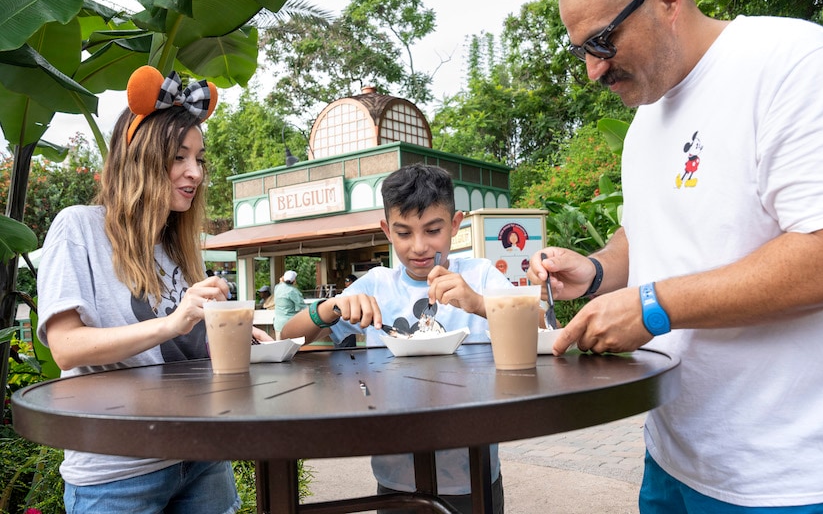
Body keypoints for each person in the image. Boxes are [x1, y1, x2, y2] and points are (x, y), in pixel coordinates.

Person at [527, 0, 823, 513]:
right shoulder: (646, 123)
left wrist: (655, 305)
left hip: (788, 477)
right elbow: (655, 230)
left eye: (602, 41)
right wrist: (597, 272)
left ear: (668, 0)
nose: (594, 71)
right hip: (673, 459)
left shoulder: (795, 63)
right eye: (582, 51)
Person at [36, 65, 271, 514]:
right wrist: (173, 321)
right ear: (140, 158)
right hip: (117, 470)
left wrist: (238, 337)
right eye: (179, 157)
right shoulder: (79, 228)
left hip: (201, 457)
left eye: (199, 159)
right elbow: (66, 347)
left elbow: (184, 349)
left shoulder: (179, 245)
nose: (194, 173)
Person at [282, 163, 513, 513]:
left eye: (433, 230)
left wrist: (480, 304)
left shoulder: (478, 276)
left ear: (455, 224)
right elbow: (289, 336)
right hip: (396, 480)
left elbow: (538, 323)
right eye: (404, 233)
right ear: (387, 230)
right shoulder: (376, 284)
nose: (419, 247)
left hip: (472, 470)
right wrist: (329, 308)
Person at [273, 270, 304, 340]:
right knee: (292, 345)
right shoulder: (293, 291)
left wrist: (282, 280)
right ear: (294, 280)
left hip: (278, 323)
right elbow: (302, 306)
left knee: (279, 344)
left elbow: (280, 283)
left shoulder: (277, 288)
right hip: (290, 322)